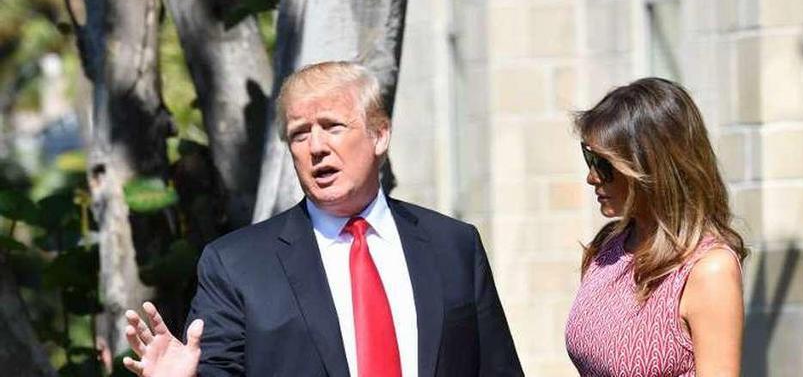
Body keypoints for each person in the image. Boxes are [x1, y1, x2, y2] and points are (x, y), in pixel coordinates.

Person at [122, 61, 523, 377]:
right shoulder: (237, 265)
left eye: (332, 126)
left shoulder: (453, 245)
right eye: (299, 134)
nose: (316, 147)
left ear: (380, 135)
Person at [564, 78, 747, 377]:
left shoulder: (707, 269)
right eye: (589, 158)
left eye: (604, 163)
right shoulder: (607, 249)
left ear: (651, 166)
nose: (592, 177)